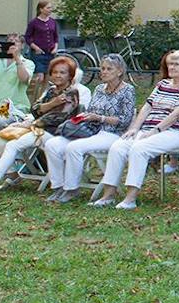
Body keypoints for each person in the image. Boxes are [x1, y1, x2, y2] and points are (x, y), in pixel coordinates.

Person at [90, 51, 179, 211]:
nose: (171, 67)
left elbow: (178, 114)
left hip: (173, 133)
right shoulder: (162, 85)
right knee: (118, 146)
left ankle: (130, 199)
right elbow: (147, 106)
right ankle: (108, 195)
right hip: (148, 129)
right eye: (170, 63)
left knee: (139, 148)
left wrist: (156, 130)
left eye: (176, 64)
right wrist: (134, 128)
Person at [0, 54, 84, 195]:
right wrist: (52, 104)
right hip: (39, 129)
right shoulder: (51, 91)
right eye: (54, 72)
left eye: (62, 72)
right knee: (1, 139)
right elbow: (35, 108)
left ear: (70, 75)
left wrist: (32, 123)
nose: (58, 75)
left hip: (56, 134)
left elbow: (58, 118)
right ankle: (12, 176)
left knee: (13, 144)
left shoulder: (72, 93)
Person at [41, 55, 135, 202]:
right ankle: (58, 187)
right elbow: (91, 110)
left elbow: (125, 120)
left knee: (74, 147)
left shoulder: (127, 90)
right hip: (90, 129)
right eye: (102, 68)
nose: (104, 72)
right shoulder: (99, 88)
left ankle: (71, 189)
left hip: (111, 134)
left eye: (109, 69)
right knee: (52, 144)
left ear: (120, 71)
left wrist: (100, 118)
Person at [23, 0, 62, 73]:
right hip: (38, 54)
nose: (50, 10)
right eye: (48, 8)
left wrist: (55, 48)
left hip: (50, 53)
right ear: (41, 9)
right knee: (39, 75)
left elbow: (56, 37)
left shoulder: (52, 22)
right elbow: (27, 37)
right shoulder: (33, 22)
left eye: (51, 8)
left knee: (48, 74)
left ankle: (45, 85)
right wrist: (36, 48)